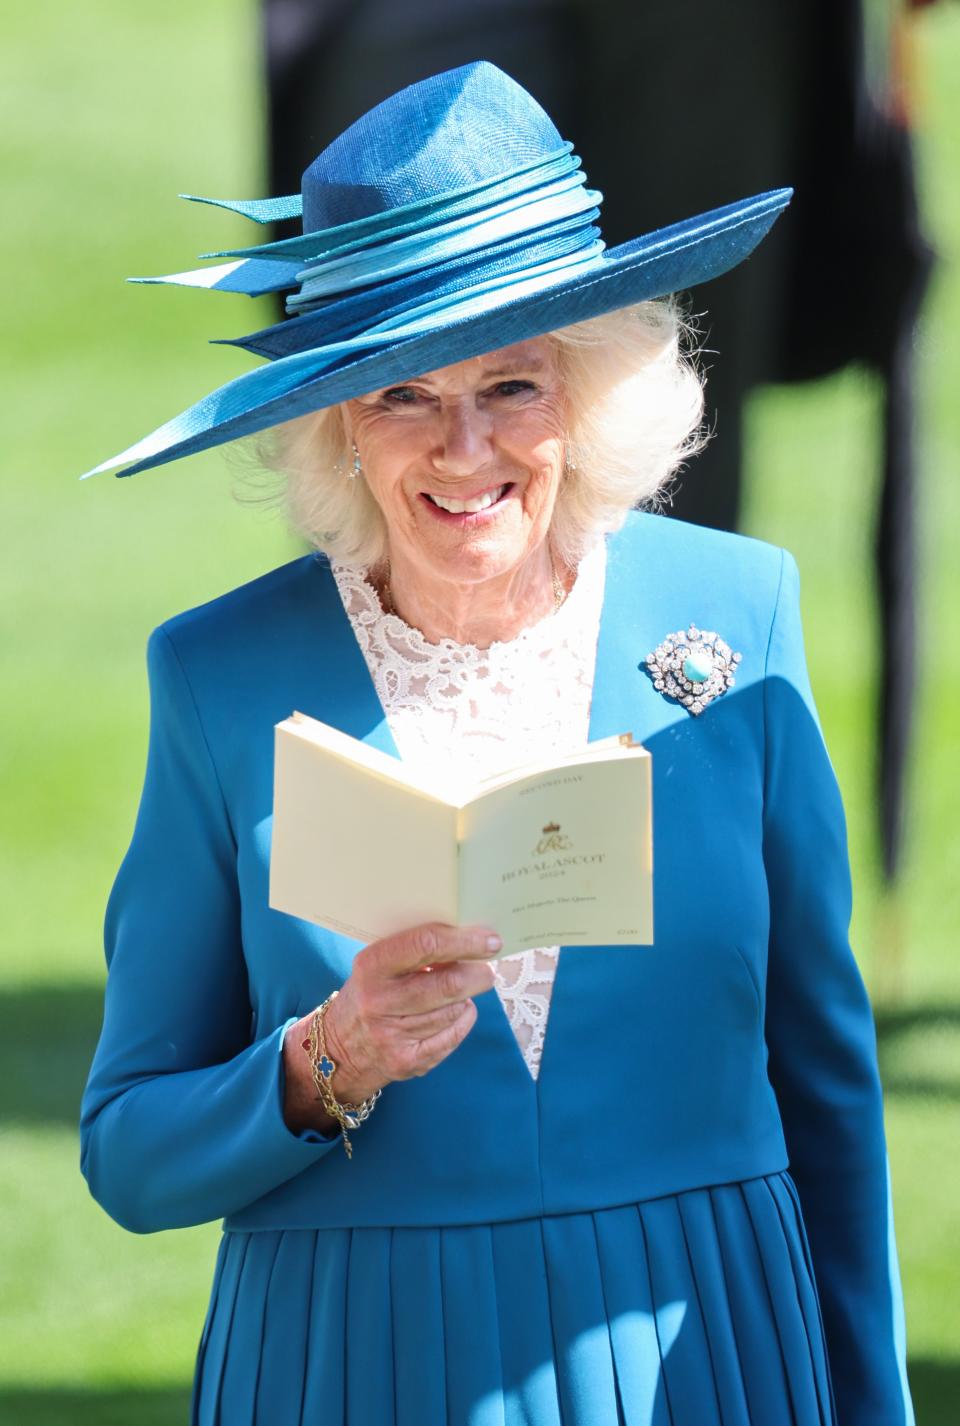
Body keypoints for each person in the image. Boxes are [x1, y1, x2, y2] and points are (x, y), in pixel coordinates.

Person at [79, 63, 914, 1426]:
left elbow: (826, 1081)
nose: (465, 450)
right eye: (406, 392)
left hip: (703, 1360)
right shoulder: (219, 676)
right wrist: (320, 1062)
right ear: (337, 421)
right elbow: (127, 1152)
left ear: (588, 389)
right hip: (350, 1364)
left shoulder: (734, 614)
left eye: (512, 383)